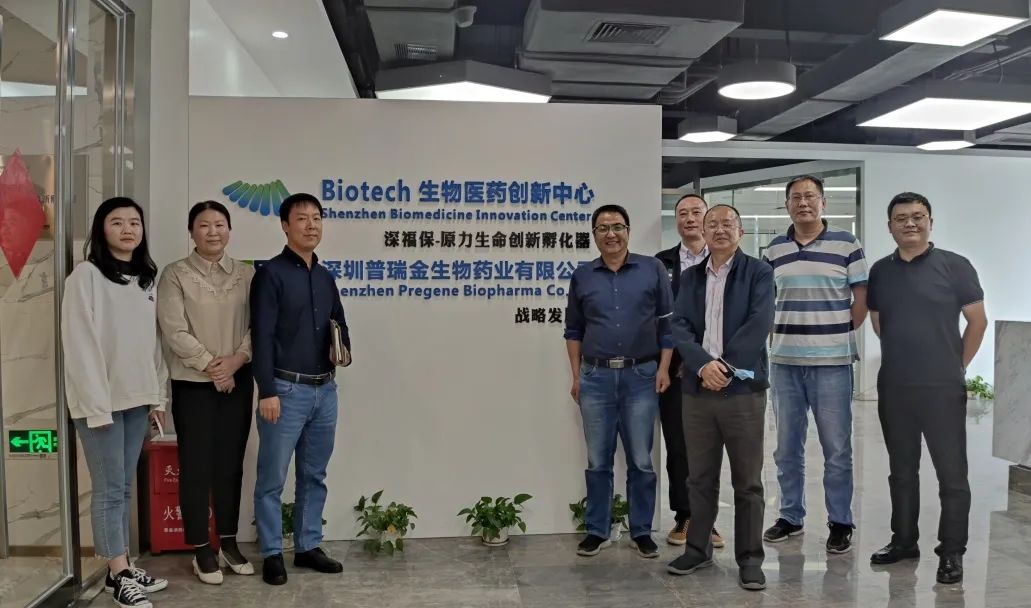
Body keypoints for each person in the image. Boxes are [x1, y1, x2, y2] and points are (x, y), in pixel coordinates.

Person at [867, 192, 987, 585]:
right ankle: (904, 541)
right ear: (890, 227)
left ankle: (951, 551)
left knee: (952, 474)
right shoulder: (881, 271)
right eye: (901, 218)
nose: (910, 223)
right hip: (895, 386)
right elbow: (879, 322)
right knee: (901, 470)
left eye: (918, 216)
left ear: (930, 222)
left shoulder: (955, 266)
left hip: (941, 387)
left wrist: (956, 366)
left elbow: (978, 321)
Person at [62, 197, 169, 608]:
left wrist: (156, 397)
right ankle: (120, 574)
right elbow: (80, 345)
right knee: (108, 490)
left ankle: (117, 569)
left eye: (134, 222)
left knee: (122, 488)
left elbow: (152, 346)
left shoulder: (144, 281)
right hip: (100, 405)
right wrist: (96, 405)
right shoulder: (85, 276)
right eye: (117, 222)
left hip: (137, 399)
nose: (128, 229)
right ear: (101, 229)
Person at [665, 204, 775, 591]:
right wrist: (702, 366)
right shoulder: (691, 277)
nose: (720, 229)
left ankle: (750, 559)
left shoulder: (758, 272)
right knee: (699, 477)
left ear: (740, 231)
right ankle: (698, 549)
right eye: (712, 224)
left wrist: (724, 367)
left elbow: (759, 324)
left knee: (748, 482)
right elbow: (679, 326)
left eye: (728, 223)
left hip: (742, 390)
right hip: (698, 390)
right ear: (704, 232)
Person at [762, 175, 868, 554]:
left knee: (837, 449)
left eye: (810, 196)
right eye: (796, 197)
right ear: (787, 205)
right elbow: (766, 301)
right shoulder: (774, 249)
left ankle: (840, 521)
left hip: (832, 363)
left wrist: (835, 333)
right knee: (786, 448)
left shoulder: (847, 244)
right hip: (785, 362)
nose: (803, 203)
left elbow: (861, 300)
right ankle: (790, 516)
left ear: (823, 202)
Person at [251, 193, 351, 586]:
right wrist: (266, 390)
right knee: (272, 478)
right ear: (285, 226)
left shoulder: (325, 277)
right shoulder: (270, 275)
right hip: (285, 390)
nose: (311, 225)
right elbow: (261, 336)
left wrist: (342, 349)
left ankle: (308, 546)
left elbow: (339, 322)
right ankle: (272, 552)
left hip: (324, 391)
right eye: (302, 218)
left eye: (317, 218)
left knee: (314, 473)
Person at [564, 203, 673, 559]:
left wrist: (663, 368)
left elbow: (667, 324)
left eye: (617, 227)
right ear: (594, 235)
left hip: (641, 376)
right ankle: (597, 529)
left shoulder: (652, 269)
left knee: (641, 459)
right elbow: (573, 330)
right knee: (598, 460)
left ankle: (641, 530)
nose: (611, 234)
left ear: (628, 231)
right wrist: (576, 376)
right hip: (595, 378)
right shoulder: (582, 276)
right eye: (603, 228)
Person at [157, 201, 255, 585]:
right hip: (193, 384)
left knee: (230, 465)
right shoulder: (175, 274)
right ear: (191, 232)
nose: (213, 231)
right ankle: (201, 548)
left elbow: (259, 326)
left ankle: (228, 542)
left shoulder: (247, 274)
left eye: (219, 224)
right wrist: (213, 366)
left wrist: (236, 361)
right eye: (204, 225)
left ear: (229, 230)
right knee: (196, 466)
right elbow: (173, 330)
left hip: (238, 380)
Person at [655, 194, 723, 549]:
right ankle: (684, 515)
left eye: (697, 212)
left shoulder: (724, 258)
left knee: (710, 448)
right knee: (678, 445)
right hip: (674, 368)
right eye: (683, 213)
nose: (690, 218)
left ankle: (708, 519)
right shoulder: (661, 263)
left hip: (716, 369)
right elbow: (659, 318)